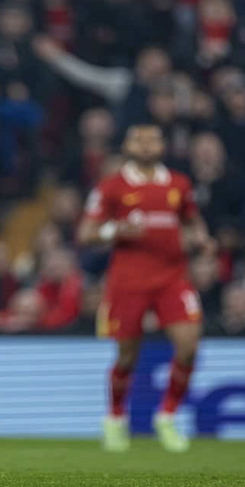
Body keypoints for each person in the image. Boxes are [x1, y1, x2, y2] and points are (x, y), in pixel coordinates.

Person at [76, 124, 215, 453]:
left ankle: (167, 416)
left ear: (162, 145)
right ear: (127, 145)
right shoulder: (112, 186)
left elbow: (191, 220)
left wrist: (202, 239)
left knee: (189, 345)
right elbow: (85, 233)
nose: (146, 145)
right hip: (128, 280)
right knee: (127, 355)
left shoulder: (179, 184)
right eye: (139, 139)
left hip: (172, 277)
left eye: (152, 139)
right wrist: (115, 230)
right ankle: (115, 418)